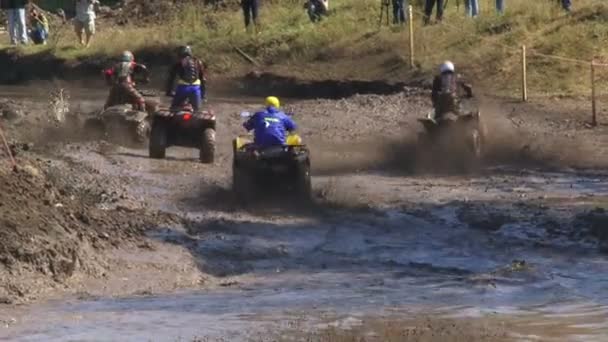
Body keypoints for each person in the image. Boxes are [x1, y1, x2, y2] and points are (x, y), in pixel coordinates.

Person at [165, 45, 206, 113]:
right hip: (195, 89)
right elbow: (203, 79)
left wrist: (169, 92)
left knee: (174, 108)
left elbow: (171, 78)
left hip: (183, 89)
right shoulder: (198, 62)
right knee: (197, 111)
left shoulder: (178, 63)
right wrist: (203, 95)